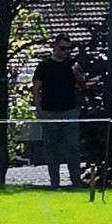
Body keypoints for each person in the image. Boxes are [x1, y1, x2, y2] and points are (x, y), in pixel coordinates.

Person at [30, 34, 85, 189]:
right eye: (63, 48)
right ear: (54, 47)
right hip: (49, 112)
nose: (66, 51)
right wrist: (39, 111)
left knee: (72, 147)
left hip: (70, 111)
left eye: (68, 48)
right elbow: (36, 89)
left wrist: (76, 73)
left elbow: (83, 84)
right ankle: (54, 183)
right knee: (52, 149)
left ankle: (76, 182)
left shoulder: (73, 64)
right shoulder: (44, 66)